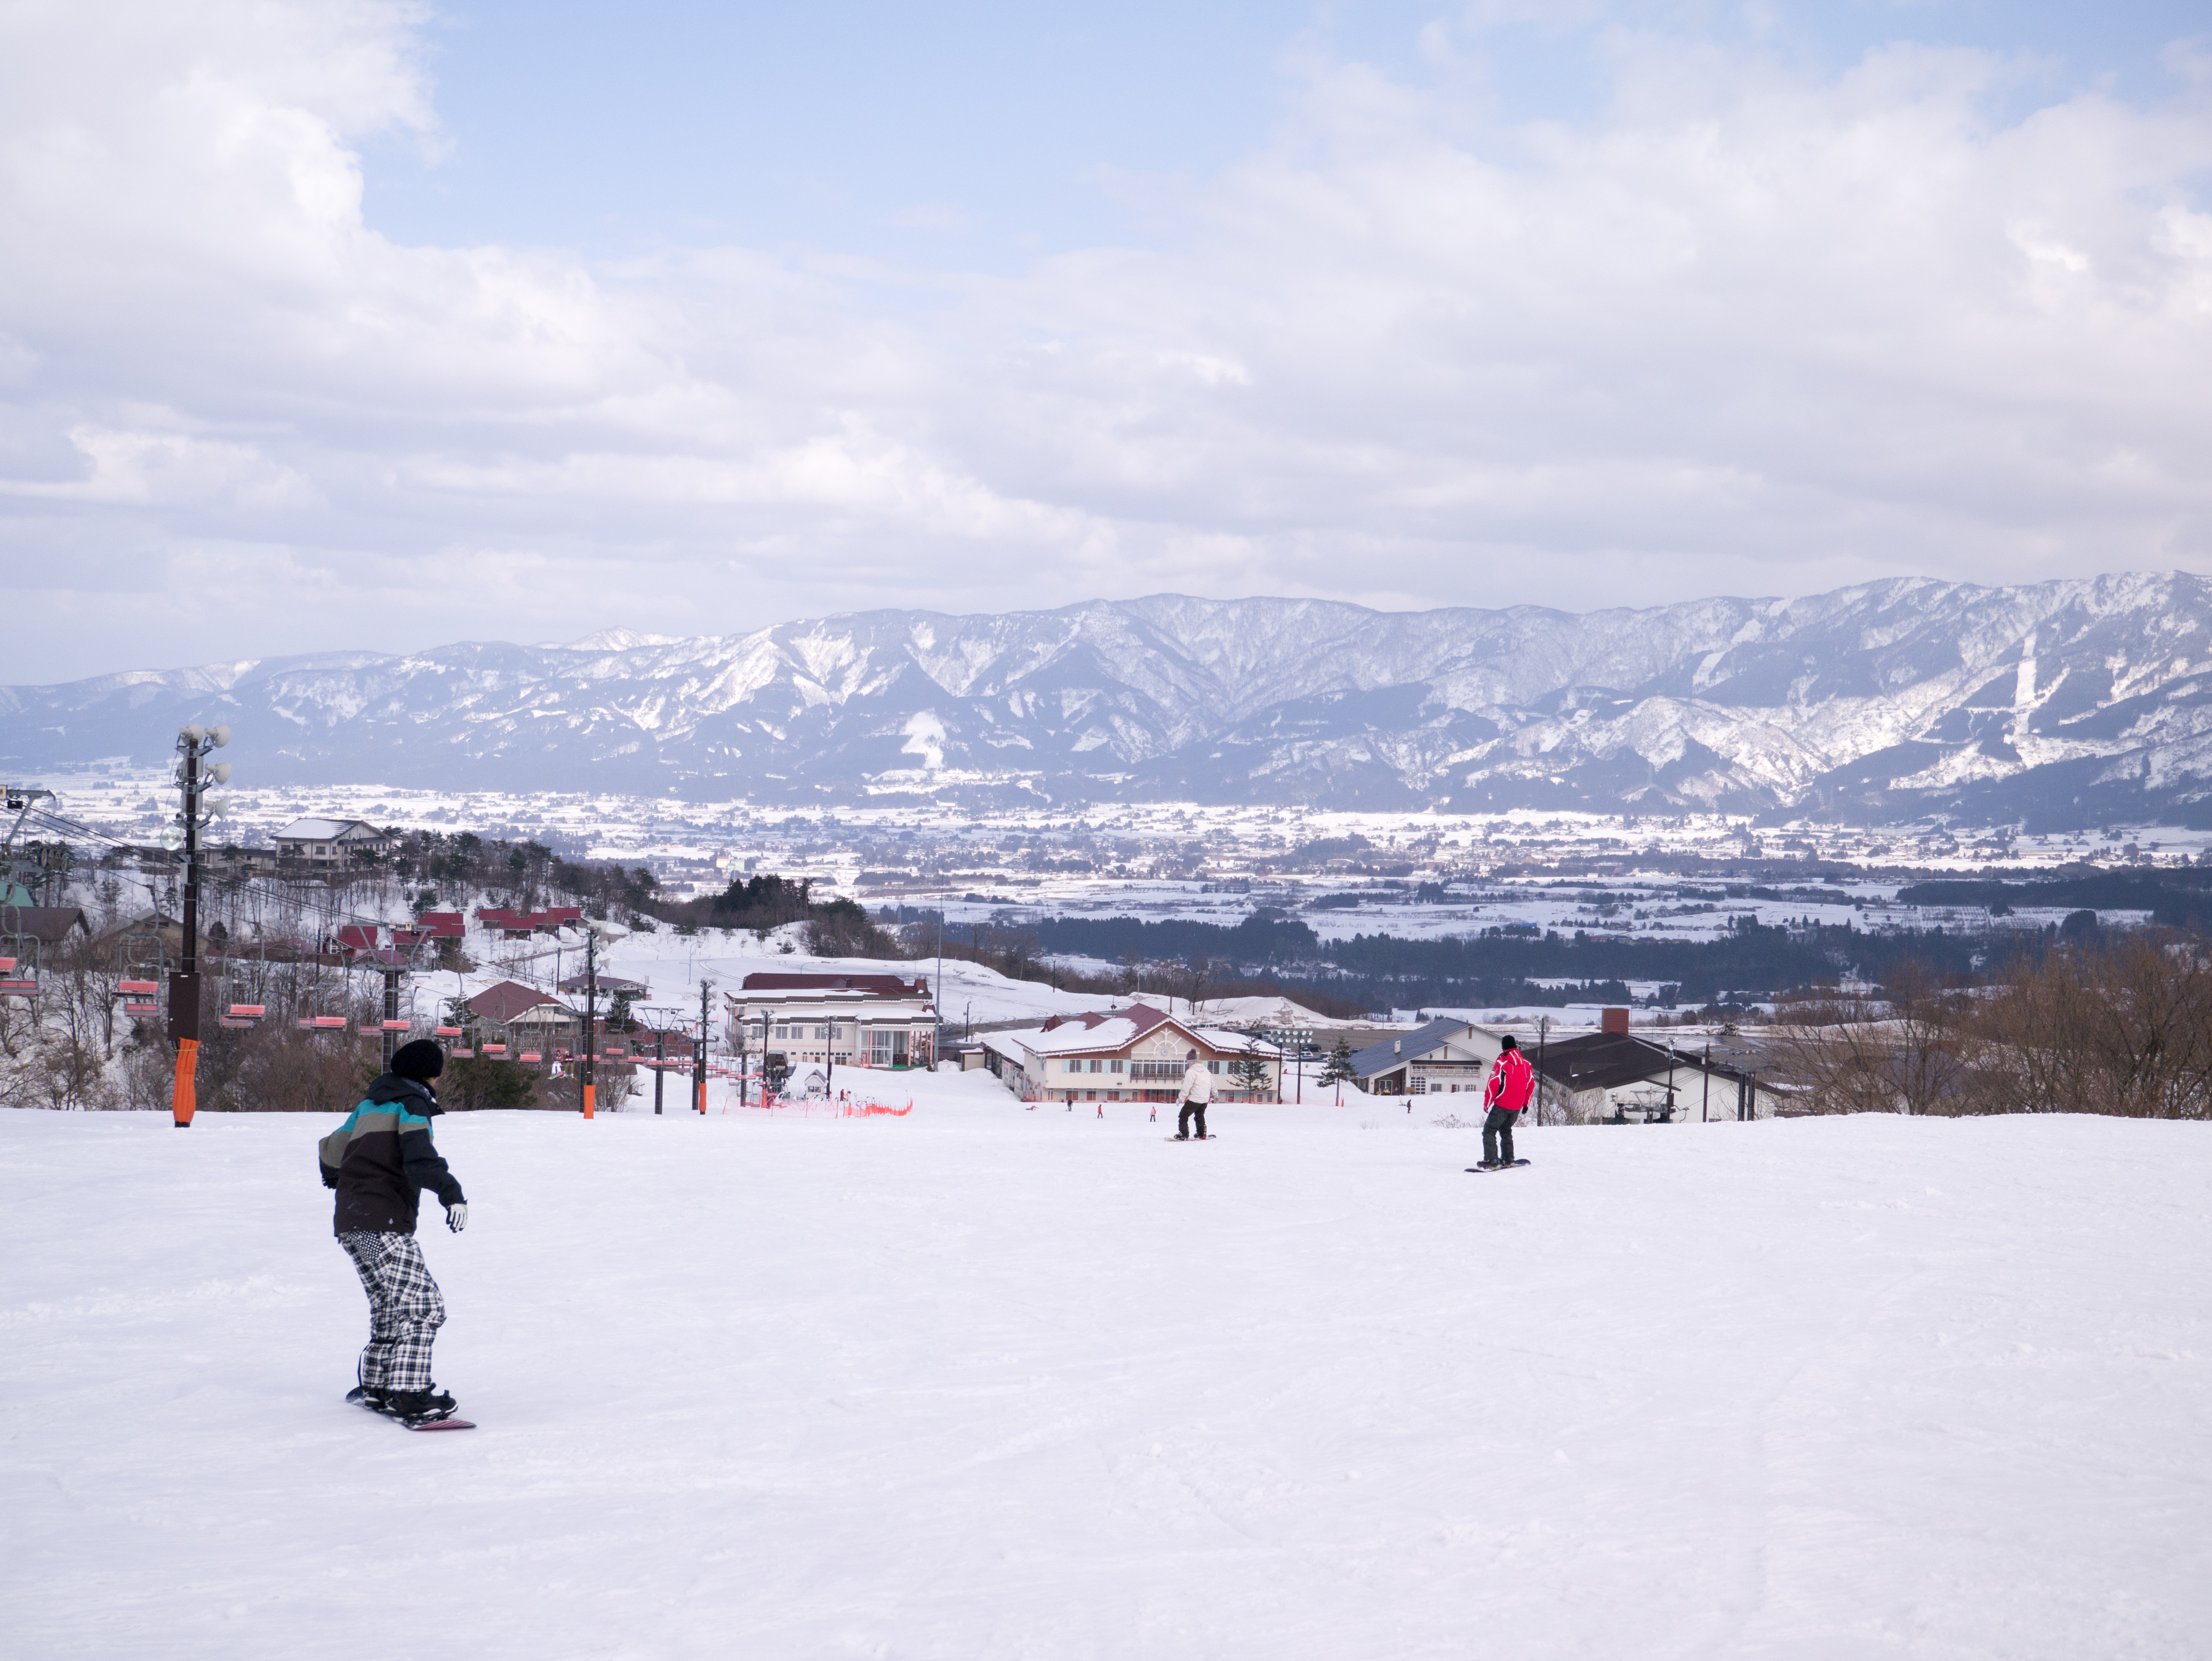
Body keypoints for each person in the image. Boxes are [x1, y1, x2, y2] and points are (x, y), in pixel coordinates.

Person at [319, 1039, 468, 1421]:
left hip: (352, 1221)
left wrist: (340, 1180)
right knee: (423, 1305)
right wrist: (452, 1194)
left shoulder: (370, 1104)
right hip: (383, 1220)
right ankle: (409, 1393)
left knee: (389, 1304)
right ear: (430, 1072)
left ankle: (378, 1385)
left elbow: (330, 1150)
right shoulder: (413, 1104)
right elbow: (420, 1159)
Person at [1479, 1035, 1535, 1168]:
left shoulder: (1502, 1063)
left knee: (1489, 1130)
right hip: (1516, 1107)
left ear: (1504, 1047)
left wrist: (1487, 1103)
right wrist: (1526, 1104)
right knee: (1506, 1130)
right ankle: (1508, 1158)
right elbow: (1531, 1085)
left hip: (1502, 1105)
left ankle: (1492, 1160)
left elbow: (1493, 1083)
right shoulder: (1527, 1065)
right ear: (1515, 1046)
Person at [1174, 1051, 1215, 1140]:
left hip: (1195, 1099)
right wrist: (1215, 1094)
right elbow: (1212, 1083)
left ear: (1189, 1061)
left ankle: (1184, 1134)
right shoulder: (1205, 1070)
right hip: (1205, 1100)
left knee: (1183, 1116)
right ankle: (1201, 1134)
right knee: (1200, 1116)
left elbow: (1186, 1087)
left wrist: (1181, 1098)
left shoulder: (1191, 1072)